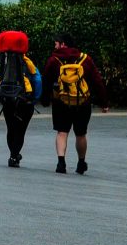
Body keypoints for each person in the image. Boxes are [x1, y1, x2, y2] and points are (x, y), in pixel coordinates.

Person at [43, 38, 104, 175]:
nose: (55, 46)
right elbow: (97, 81)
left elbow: (46, 80)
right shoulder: (85, 59)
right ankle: (81, 162)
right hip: (83, 102)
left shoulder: (54, 60)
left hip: (61, 101)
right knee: (81, 134)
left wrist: (45, 100)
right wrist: (103, 102)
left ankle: (61, 162)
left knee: (62, 132)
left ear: (63, 44)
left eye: (56, 43)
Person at [0, 29, 39, 167]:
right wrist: (35, 98)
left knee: (10, 128)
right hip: (25, 101)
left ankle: (12, 154)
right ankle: (15, 155)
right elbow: (37, 80)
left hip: (7, 99)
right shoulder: (27, 62)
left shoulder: (2, 64)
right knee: (21, 130)